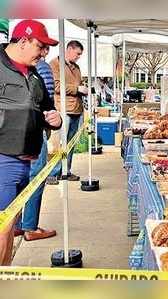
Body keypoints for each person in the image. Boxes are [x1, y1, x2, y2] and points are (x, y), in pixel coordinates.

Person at [0, 19, 61, 265]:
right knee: (3, 229)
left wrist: (54, 121)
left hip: (26, 160)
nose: (45, 52)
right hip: (4, 159)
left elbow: (47, 109)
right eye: (41, 46)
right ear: (23, 41)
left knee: (9, 225)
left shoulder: (34, 75)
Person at [14, 44, 58, 241]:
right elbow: (45, 101)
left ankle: (16, 224)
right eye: (41, 47)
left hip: (18, 133)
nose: (43, 52)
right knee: (36, 176)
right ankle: (30, 226)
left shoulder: (26, 69)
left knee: (21, 178)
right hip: (33, 129)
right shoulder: (40, 68)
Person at [47, 40, 88, 185]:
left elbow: (79, 84)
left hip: (76, 109)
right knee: (59, 143)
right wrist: (77, 89)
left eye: (80, 55)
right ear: (69, 49)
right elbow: (56, 85)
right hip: (63, 109)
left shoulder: (76, 68)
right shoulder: (55, 64)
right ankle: (52, 173)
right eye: (77, 54)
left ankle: (66, 170)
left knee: (70, 144)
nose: (78, 57)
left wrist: (83, 89)